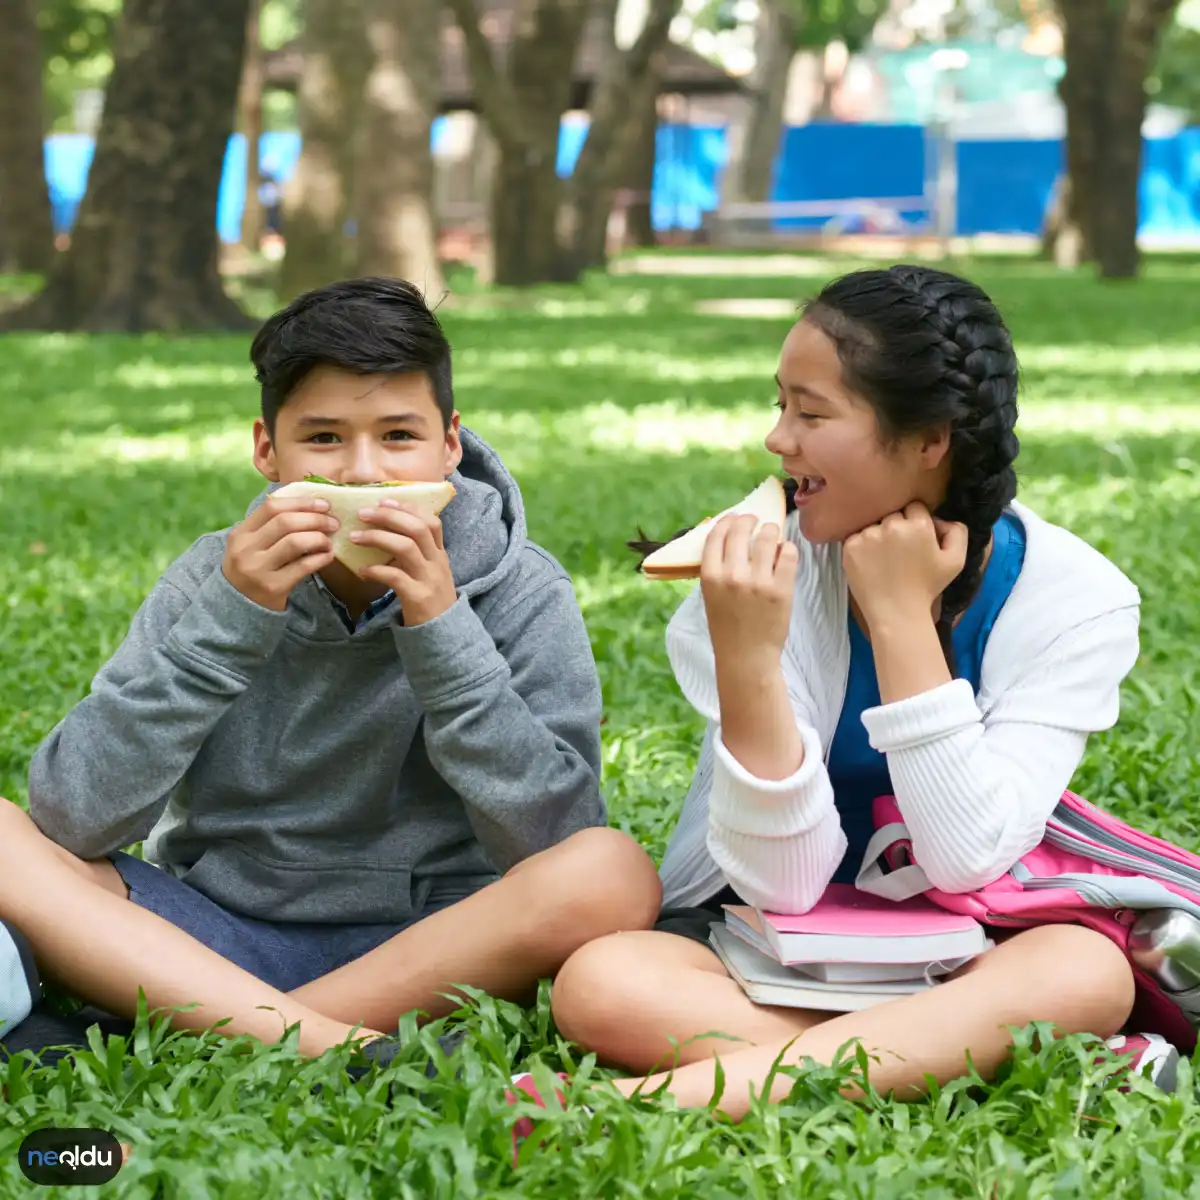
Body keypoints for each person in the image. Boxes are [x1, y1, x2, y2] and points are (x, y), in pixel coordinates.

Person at [546, 264, 1165, 1118]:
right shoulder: (745, 584)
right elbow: (784, 884)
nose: (776, 440)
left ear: (929, 439)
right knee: (604, 984)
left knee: (1082, 970)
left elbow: (965, 857)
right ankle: (959, 1053)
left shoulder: (1077, 602)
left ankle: (659, 1101)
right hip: (766, 943)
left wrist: (904, 622)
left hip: (969, 946)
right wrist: (749, 660)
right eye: (780, 405)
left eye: (810, 413)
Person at [0, 277, 661, 1066]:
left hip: (437, 947)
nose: (361, 473)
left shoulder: (523, 588)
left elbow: (553, 839)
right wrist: (230, 620)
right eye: (322, 439)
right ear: (265, 450)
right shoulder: (210, 579)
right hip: (212, 933)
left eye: (397, 436)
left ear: (449, 444)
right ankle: (332, 1048)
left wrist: (444, 632)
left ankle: (228, 1034)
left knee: (609, 869)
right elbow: (75, 818)